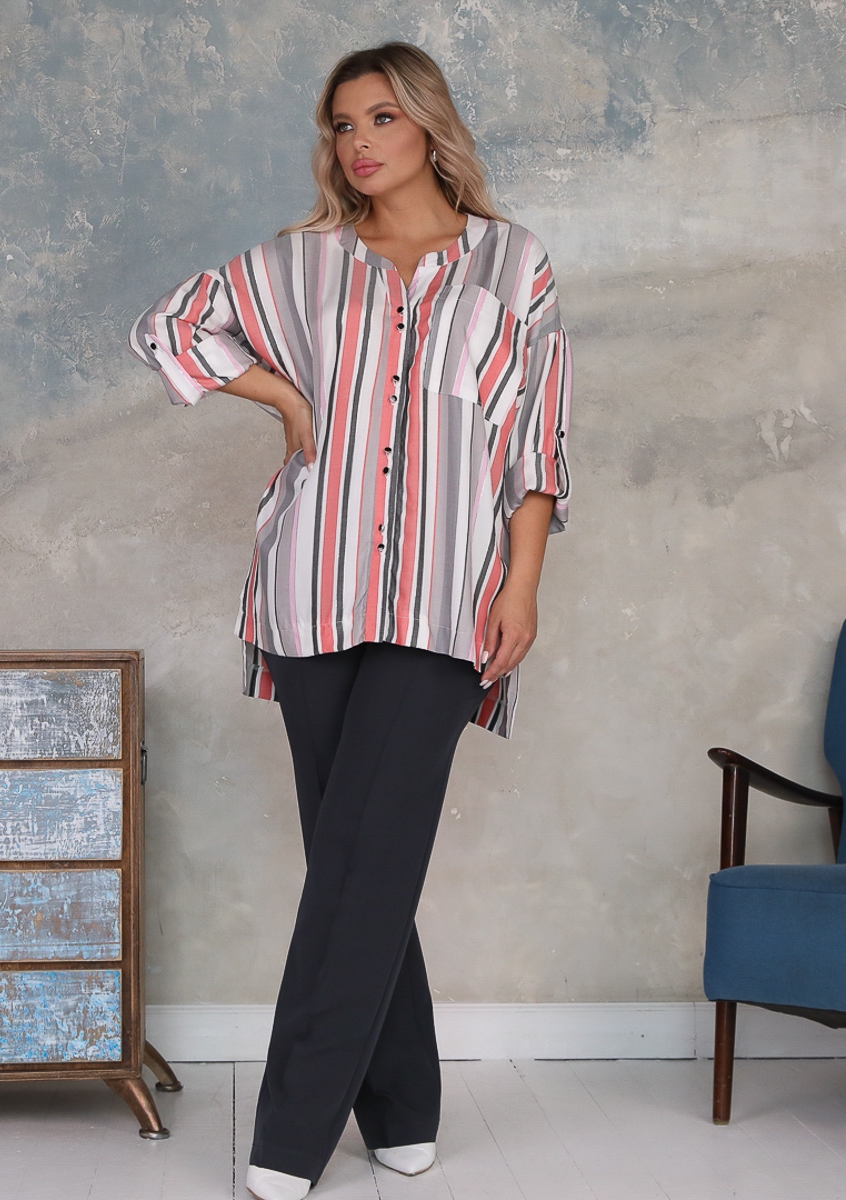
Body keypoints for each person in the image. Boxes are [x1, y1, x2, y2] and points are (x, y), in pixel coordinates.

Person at [128, 41, 571, 1200]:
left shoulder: (512, 264)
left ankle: (287, 1137)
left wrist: (522, 584)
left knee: (367, 859)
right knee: (353, 860)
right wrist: (280, 392)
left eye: (381, 117)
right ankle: (404, 1105)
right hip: (309, 587)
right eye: (341, 124)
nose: (360, 141)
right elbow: (171, 327)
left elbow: (536, 444)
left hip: (446, 592)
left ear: (428, 122)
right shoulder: (298, 265)